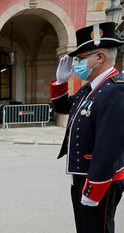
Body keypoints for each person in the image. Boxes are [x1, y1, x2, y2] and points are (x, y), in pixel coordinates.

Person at [51, 22, 124, 233]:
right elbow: (65, 107)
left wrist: (94, 189)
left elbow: (108, 147)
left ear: (99, 57)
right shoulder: (91, 88)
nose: (77, 64)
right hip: (83, 176)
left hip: (100, 179)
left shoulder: (115, 91)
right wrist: (60, 81)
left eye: (81, 58)